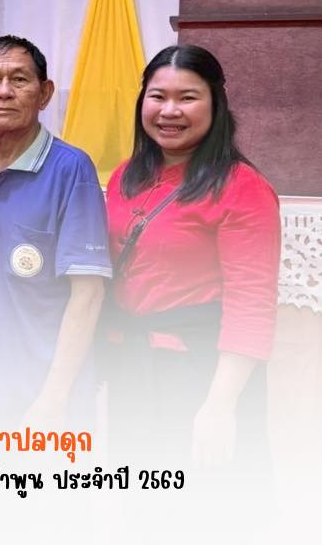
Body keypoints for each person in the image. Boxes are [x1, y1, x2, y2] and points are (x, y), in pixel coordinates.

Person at [104, 45, 280, 467]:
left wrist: (219, 406)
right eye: (158, 96)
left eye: (187, 97)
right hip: (133, 364)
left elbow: (251, 303)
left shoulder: (242, 187)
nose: (170, 111)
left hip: (200, 371)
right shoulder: (125, 175)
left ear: (216, 102)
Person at [0, 35, 110, 429]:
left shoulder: (72, 169)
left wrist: (54, 397)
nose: (4, 92)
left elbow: (88, 294)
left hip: (47, 395)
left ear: (45, 93)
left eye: (19, 79)